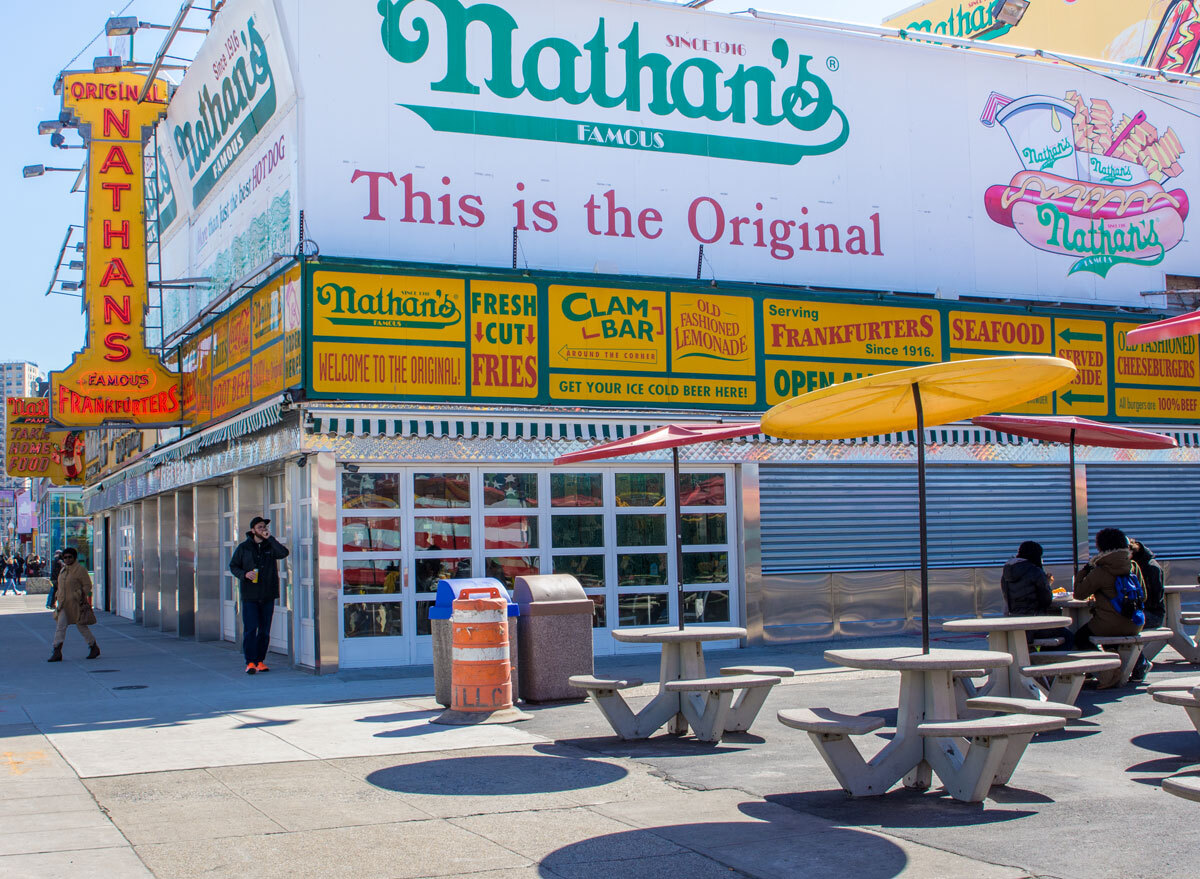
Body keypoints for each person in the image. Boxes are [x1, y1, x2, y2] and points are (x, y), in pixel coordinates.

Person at [228, 516, 289, 675]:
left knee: (264, 631)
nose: (264, 529)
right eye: (260, 527)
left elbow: (283, 553)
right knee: (250, 629)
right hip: (250, 595)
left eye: (265, 527)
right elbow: (233, 566)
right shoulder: (244, 548)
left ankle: (260, 660)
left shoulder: (270, 546)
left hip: (267, 593)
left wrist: (272, 540)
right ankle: (250, 662)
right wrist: (244, 574)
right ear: (253, 530)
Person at [1073, 527, 1144, 651]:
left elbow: (1079, 594)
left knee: (1079, 638)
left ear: (1101, 547)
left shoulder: (1100, 570)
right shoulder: (1133, 566)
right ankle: (1137, 663)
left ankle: (1101, 666)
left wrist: (1084, 571)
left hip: (1107, 625)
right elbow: (1144, 596)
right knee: (1110, 641)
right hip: (1136, 623)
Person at [1000, 540, 1071, 645]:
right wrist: (1047, 583)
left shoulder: (1006, 573)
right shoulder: (1035, 571)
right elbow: (1046, 601)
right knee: (1069, 636)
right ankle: (1050, 660)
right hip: (1033, 625)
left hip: (1013, 623)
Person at [47, 547, 99, 661]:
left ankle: (93, 646)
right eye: (65, 557)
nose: (67, 559)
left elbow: (87, 586)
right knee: (60, 626)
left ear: (74, 557)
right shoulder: (63, 570)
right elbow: (61, 586)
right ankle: (57, 650)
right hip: (64, 604)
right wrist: (57, 596)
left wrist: (78, 594)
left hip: (76, 604)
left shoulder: (80, 570)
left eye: (70, 557)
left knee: (81, 626)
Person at [1129, 538, 1166, 681]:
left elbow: (1155, 600)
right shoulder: (1130, 567)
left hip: (1153, 614)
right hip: (1141, 612)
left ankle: (1140, 663)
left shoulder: (1151, 568)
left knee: (1126, 624)